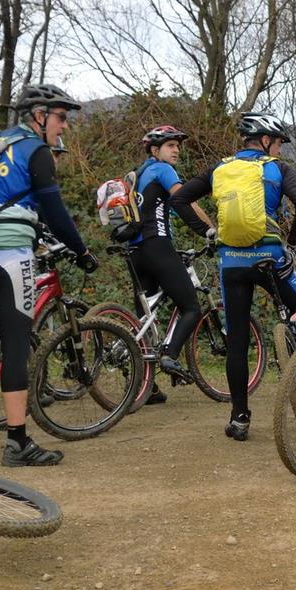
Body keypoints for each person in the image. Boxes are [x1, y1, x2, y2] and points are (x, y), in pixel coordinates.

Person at [0, 84, 99, 467]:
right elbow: (55, 211)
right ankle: (17, 442)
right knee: (18, 343)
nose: (64, 126)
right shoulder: (36, 151)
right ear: (39, 116)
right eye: (60, 118)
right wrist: (82, 252)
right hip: (7, 252)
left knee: (6, 320)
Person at [170, 113, 296, 441]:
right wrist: (291, 244)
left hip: (232, 261)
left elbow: (179, 198)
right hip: (270, 256)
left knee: (238, 340)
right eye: (279, 143)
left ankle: (239, 418)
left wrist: (207, 232)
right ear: (266, 141)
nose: (280, 149)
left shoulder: (220, 168)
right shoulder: (277, 168)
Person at [128, 125, 214, 406]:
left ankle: (145, 386)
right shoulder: (163, 170)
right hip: (157, 245)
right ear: (155, 150)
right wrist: (210, 230)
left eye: (178, 145)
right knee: (191, 307)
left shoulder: (140, 174)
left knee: (144, 319)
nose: (176, 150)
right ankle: (170, 356)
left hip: (136, 251)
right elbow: (184, 200)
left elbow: (165, 208)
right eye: (170, 145)